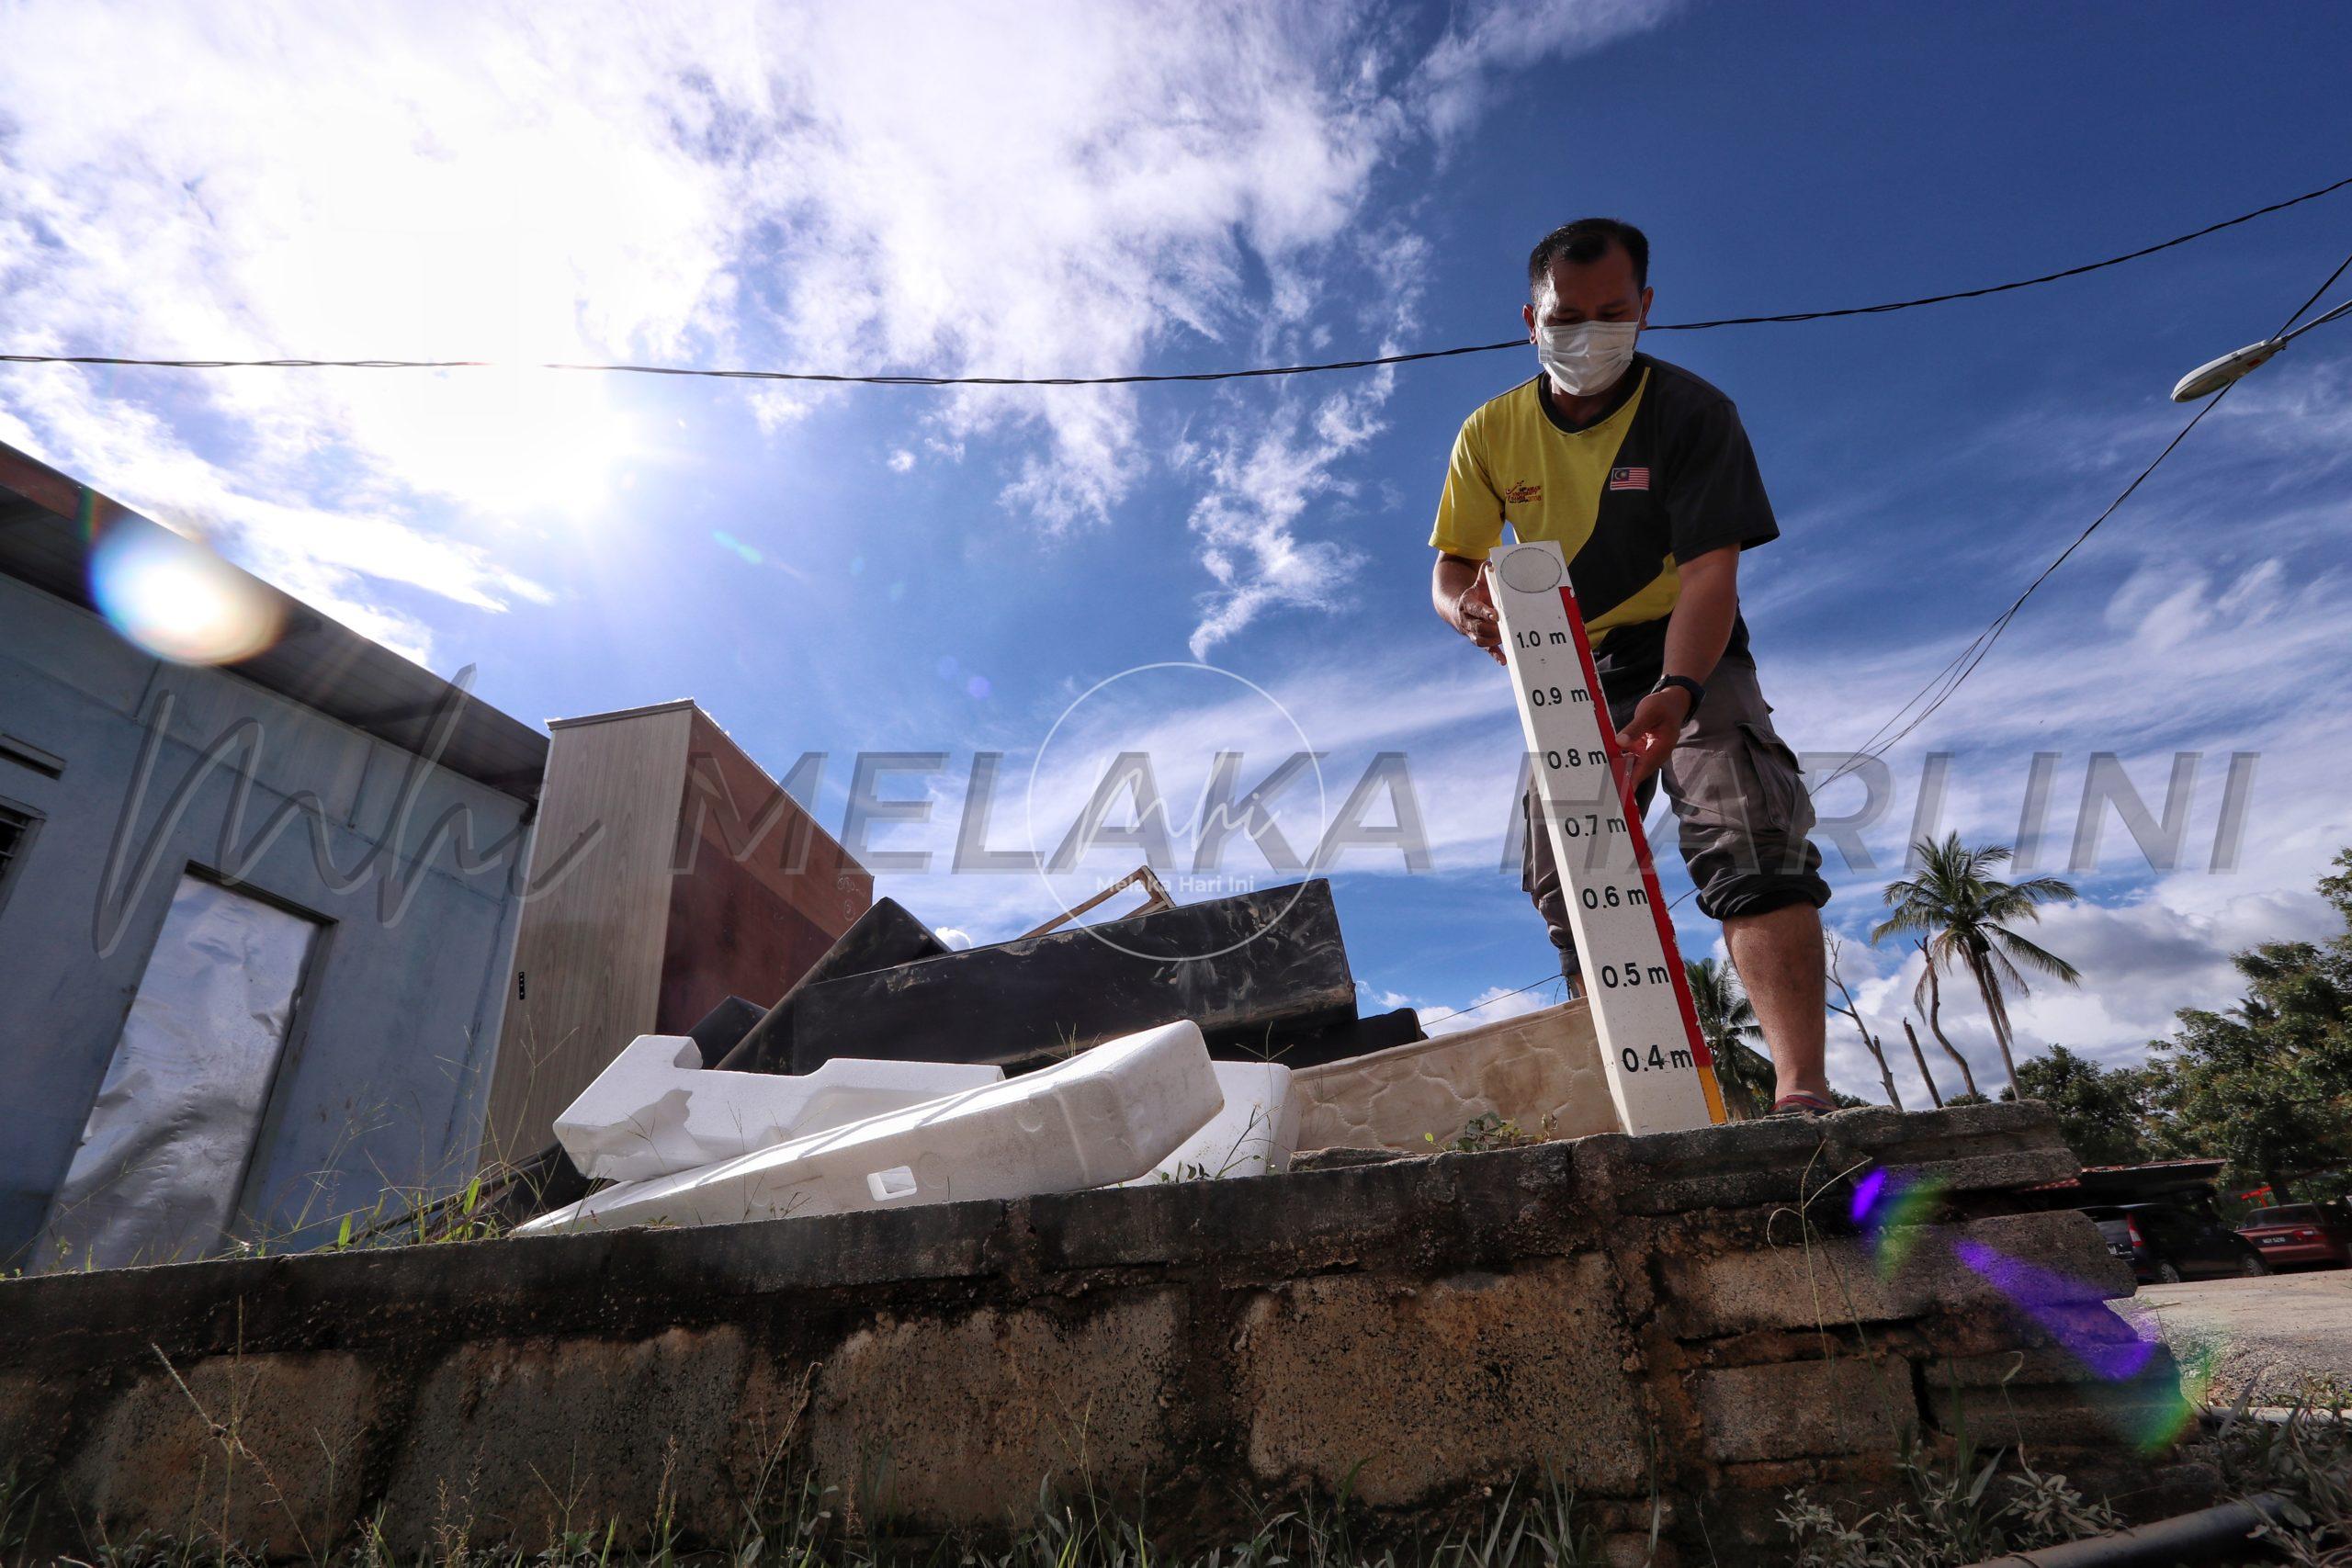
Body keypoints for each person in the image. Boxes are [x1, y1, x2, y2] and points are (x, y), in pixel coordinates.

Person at [1429, 217, 1836, 1114]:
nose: (1588, 333)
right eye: (1565, 316)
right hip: (1565, 658)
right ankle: (1640, 1092)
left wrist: (1679, 692)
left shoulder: (1693, 414)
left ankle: (1800, 1093)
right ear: (1528, 321)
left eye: (1612, 312)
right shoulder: (1488, 432)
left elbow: (1708, 578)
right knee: (1568, 869)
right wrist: (1464, 606)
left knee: (1746, 826)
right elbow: (1451, 566)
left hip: (1686, 644)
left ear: (1645, 308)